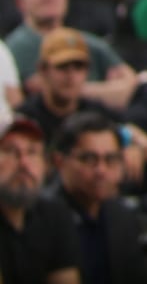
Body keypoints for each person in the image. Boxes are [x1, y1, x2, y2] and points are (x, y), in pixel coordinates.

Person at [5, 0, 139, 109]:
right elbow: (39, 96)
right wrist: (106, 90)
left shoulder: (90, 42)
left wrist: (76, 90)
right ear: (20, 2)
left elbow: (131, 87)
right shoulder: (13, 49)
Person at [45, 112, 147, 284]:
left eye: (110, 159)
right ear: (59, 161)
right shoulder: (42, 217)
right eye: (89, 159)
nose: (101, 171)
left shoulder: (122, 217)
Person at [0, 116, 79, 284]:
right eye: (10, 151)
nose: (24, 163)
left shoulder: (55, 216)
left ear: (46, 165)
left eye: (32, 152)